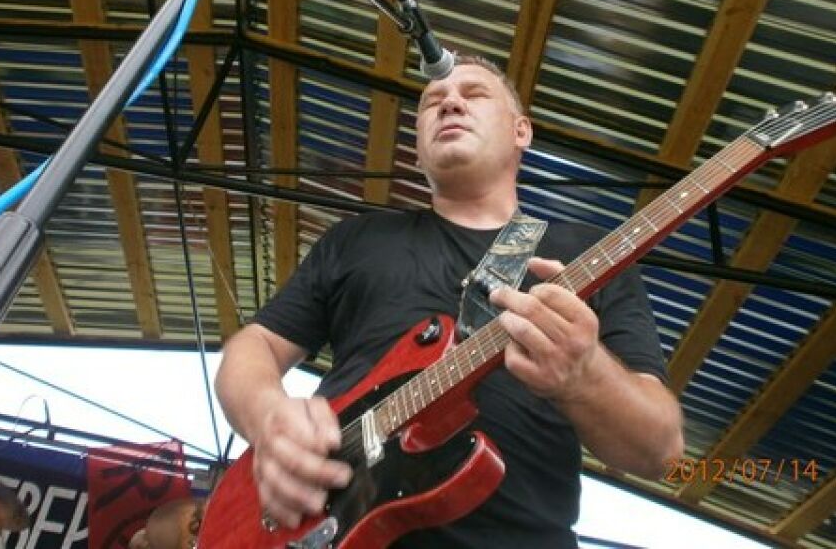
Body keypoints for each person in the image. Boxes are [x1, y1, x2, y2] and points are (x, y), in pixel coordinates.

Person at [215, 54, 684, 547]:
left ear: (521, 131)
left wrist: (586, 374)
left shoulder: (587, 254)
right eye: (432, 102)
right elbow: (255, 345)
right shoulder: (358, 239)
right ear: (417, 150)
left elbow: (661, 449)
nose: (450, 103)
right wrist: (269, 417)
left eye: (474, 94)